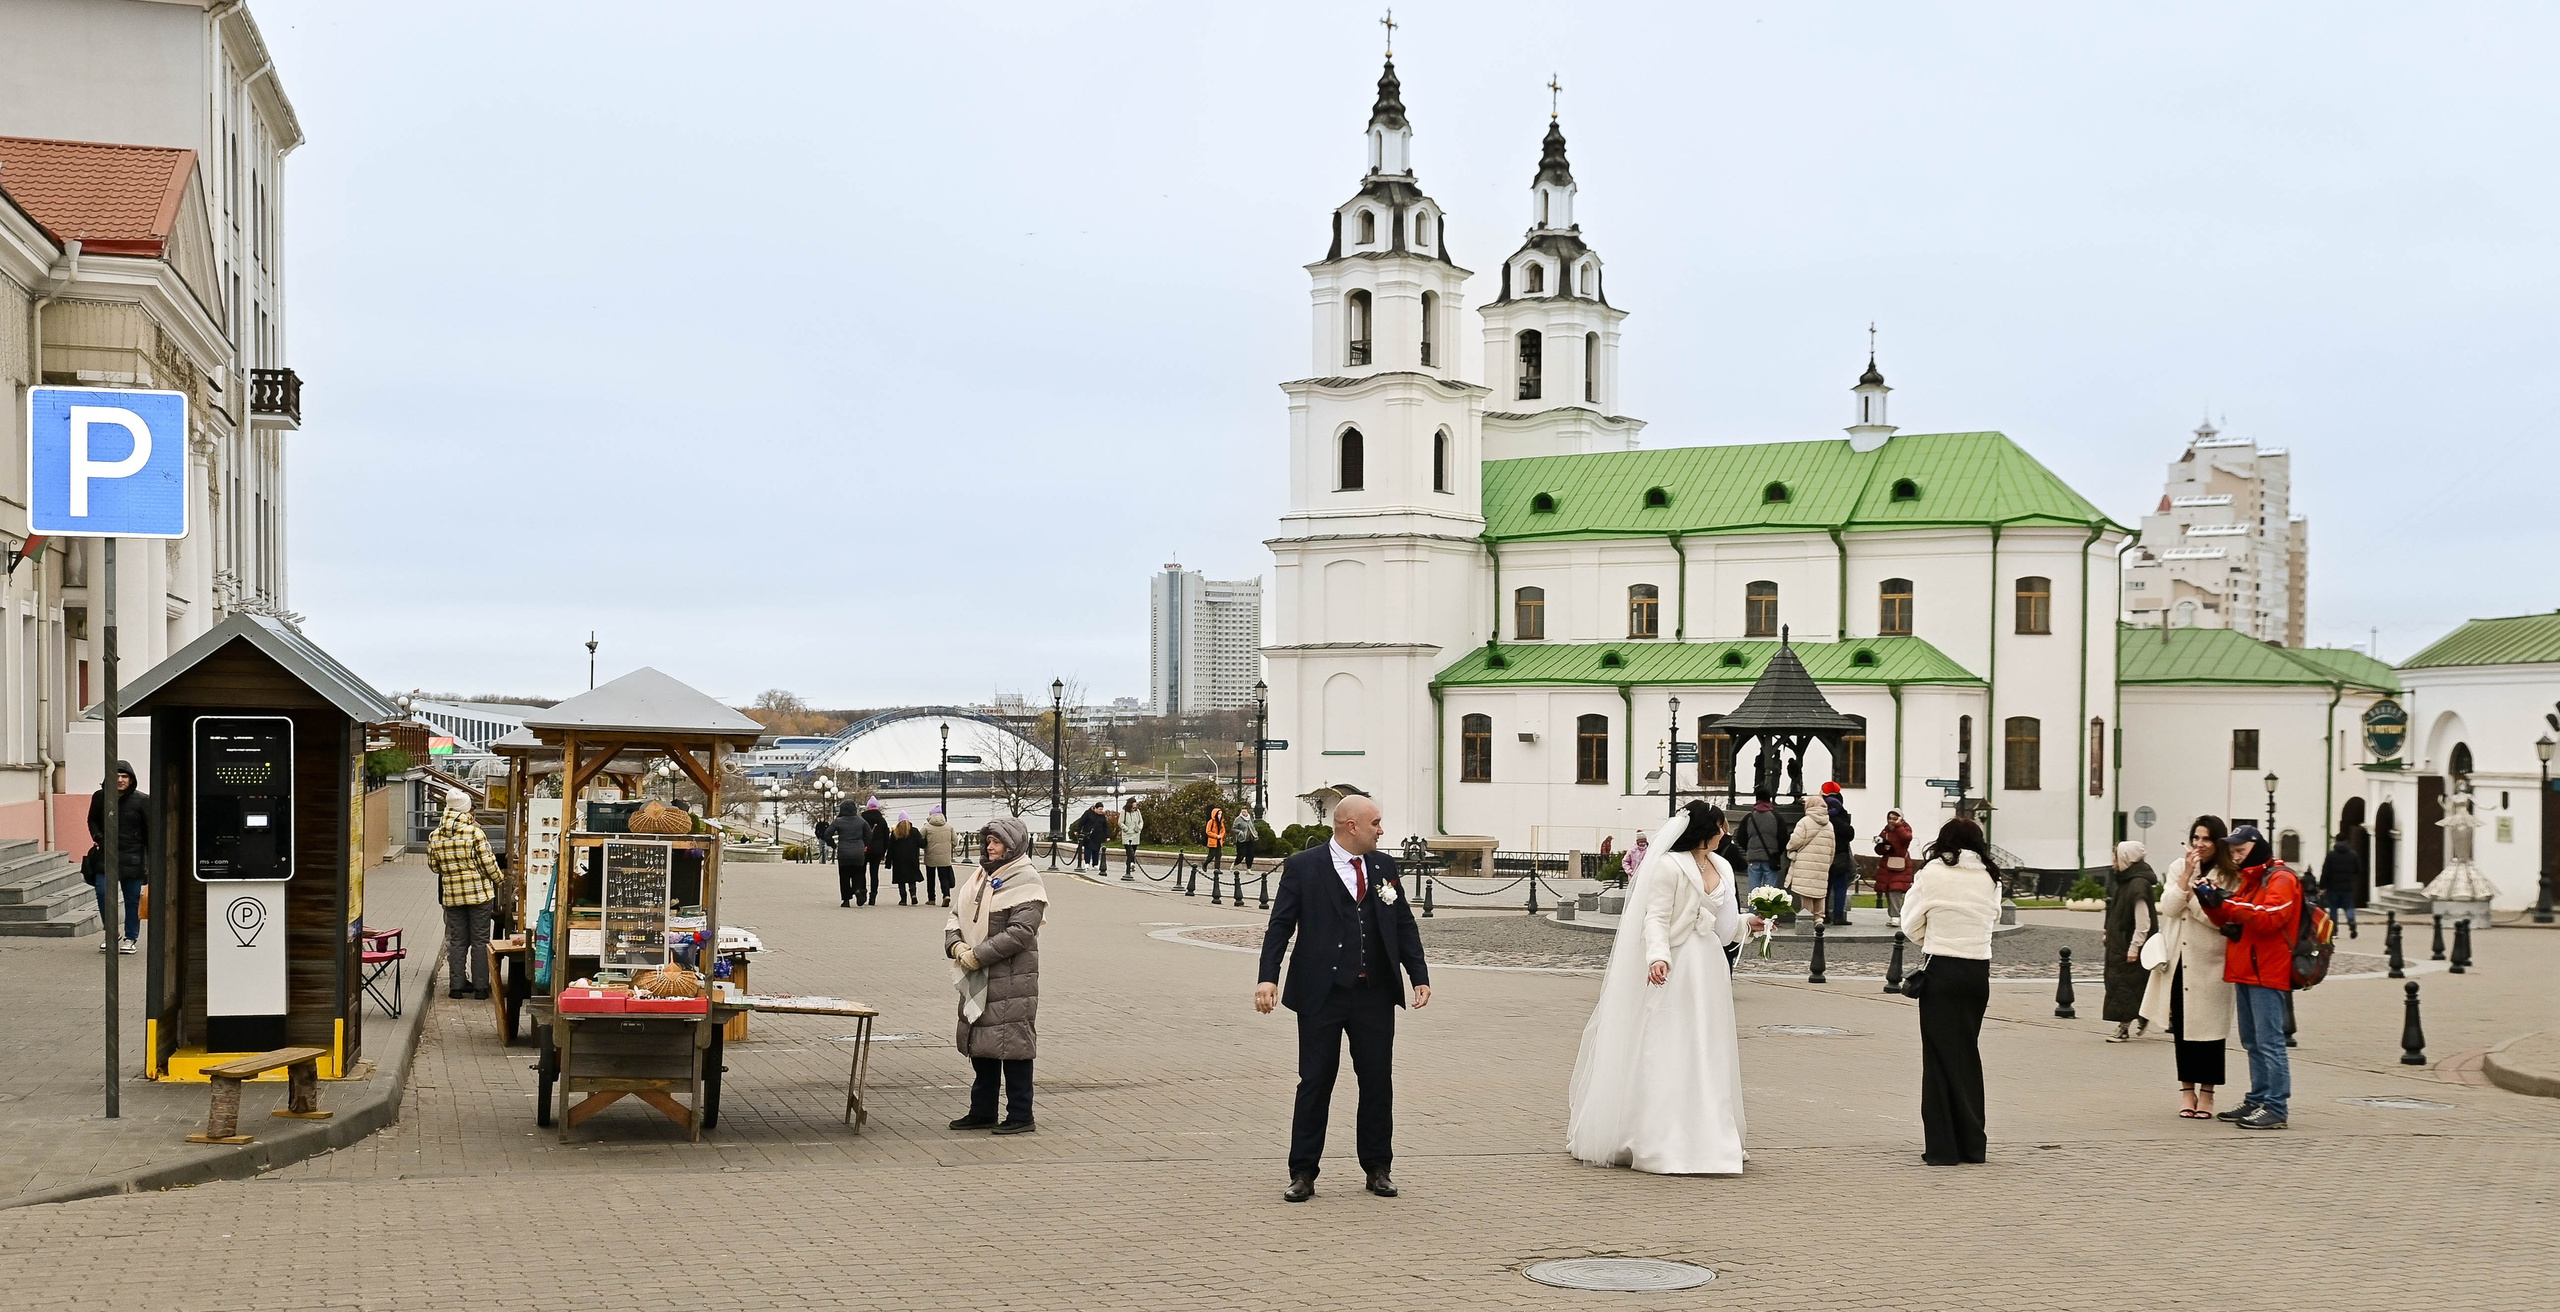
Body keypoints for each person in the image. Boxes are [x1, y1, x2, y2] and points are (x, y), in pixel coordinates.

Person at [1567, 801, 1762, 1174]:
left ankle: (1712, 1133)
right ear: (1709, 830)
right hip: (1676, 963)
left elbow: (1722, 927)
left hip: (1708, 967)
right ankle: (1657, 1135)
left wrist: (1748, 923)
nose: (1727, 834)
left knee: (1708, 1044)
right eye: (1723, 827)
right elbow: (1654, 917)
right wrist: (1658, 957)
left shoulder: (1721, 866)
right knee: (1670, 1042)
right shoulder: (1668, 867)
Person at [1255, 794, 1431, 1202]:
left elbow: (1403, 923)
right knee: (1315, 1081)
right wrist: (1267, 979)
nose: (1382, 830)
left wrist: (1417, 975)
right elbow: (1279, 927)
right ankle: (1303, 1172)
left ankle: (1377, 1168)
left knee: (1377, 1082)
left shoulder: (1384, 867)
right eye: (1376, 823)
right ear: (1351, 825)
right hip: (1322, 994)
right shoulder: (1304, 867)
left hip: (1374, 993)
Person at [1900, 816, 2001, 1166]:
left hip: (1942, 968)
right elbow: (1994, 918)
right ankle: (1973, 1144)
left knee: (1939, 1059)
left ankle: (1943, 1148)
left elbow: (1910, 921)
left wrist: (1933, 937)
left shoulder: (1931, 873)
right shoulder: (1991, 876)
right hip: (1977, 972)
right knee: (1967, 1055)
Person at [945, 816, 1046, 1135]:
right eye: (988, 840)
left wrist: (977, 955)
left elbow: (1020, 933)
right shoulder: (979, 878)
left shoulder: (1026, 881)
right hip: (977, 974)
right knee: (983, 1046)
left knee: (1013, 1047)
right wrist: (957, 946)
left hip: (1012, 978)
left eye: (996, 841)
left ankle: (1021, 1114)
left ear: (1012, 845)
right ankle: (982, 1111)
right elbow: (955, 917)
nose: (989, 846)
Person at [2196, 823, 2300, 1130]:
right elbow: (2232, 914)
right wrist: (2210, 900)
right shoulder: (2251, 880)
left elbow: (2270, 917)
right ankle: (2257, 1098)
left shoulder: (2281, 879)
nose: (2236, 857)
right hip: (2246, 968)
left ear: (2257, 849)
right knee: (2253, 1041)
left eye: (2241, 851)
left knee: (2270, 1042)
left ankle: (2276, 1106)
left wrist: (2225, 901)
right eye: (2233, 852)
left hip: (2267, 971)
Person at [2140, 816, 2235, 1119]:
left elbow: (2219, 919)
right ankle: (2186, 1091)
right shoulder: (2178, 867)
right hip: (2180, 960)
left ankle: (2207, 1094)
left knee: (2210, 1032)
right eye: (2196, 837)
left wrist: (2194, 898)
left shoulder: (2230, 876)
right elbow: (2168, 907)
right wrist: (2186, 881)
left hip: (2211, 963)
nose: (2199, 844)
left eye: (2206, 839)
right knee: (2183, 1030)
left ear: (2218, 842)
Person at [427, 790, 502, 1000]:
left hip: (452, 896)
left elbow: (434, 866)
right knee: (480, 940)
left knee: (458, 940)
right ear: (466, 809)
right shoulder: (474, 833)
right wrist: (499, 879)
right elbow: (489, 864)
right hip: (479, 895)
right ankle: (480, 988)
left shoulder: (435, 835)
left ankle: (456, 987)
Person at [86, 759, 149, 954]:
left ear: (131, 779)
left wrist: (149, 861)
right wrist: (98, 837)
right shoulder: (100, 797)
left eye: (124, 776)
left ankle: (131, 938)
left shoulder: (142, 800)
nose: (120, 780)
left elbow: (149, 831)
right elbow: (92, 820)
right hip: (106, 856)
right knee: (103, 892)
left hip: (133, 857)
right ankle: (111, 933)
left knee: (132, 900)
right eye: (117, 776)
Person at [2103, 841, 2160, 1042]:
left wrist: (2135, 947)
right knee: (2123, 985)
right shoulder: (2125, 881)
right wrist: (2107, 933)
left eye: (2116, 858)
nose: (2113, 863)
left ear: (2126, 859)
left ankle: (2124, 1027)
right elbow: (2116, 912)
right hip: (2120, 942)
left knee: (2125, 986)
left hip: (2130, 944)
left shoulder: (2137, 884)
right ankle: (2144, 1014)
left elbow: (2143, 921)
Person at [1784, 792, 1838, 923]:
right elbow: (1832, 848)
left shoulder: (1805, 822)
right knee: (1819, 892)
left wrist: (1789, 847)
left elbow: (1795, 841)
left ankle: (1806, 917)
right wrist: (1827, 863)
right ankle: (1819, 917)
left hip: (1805, 863)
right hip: (1822, 864)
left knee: (1806, 891)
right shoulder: (1829, 825)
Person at [1819, 782, 1857, 924]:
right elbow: (1849, 834)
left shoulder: (1820, 814)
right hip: (1840, 855)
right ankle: (1838, 916)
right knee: (1840, 887)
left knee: (1825, 888)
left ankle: (1824, 915)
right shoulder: (1841, 814)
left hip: (1823, 854)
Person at [1873, 809, 1915, 926]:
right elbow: (1878, 848)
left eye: (1894, 818)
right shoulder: (1885, 830)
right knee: (1887, 890)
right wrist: (1882, 848)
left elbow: (1907, 838)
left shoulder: (1904, 828)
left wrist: (1898, 825)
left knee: (1895, 890)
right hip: (1887, 864)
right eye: (1890, 818)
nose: (1891, 821)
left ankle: (1896, 916)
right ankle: (1893, 915)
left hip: (1900, 864)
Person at [2321, 828, 2363, 940]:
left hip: (2333, 887)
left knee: (2333, 909)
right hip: (2347, 886)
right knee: (2349, 906)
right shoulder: (2353, 855)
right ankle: (2351, 921)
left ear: (2336, 841)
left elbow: (2325, 871)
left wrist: (2322, 886)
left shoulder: (2331, 855)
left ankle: (2334, 931)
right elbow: (2358, 869)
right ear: (2347, 841)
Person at [1741, 794, 1787, 895]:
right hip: (1771, 859)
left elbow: (1740, 837)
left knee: (1754, 892)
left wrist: (1749, 850)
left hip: (1753, 858)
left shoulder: (1749, 817)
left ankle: (1753, 910)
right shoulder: (1776, 817)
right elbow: (1783, 838)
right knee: (1770, 893)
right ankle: (1769, 910)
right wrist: (1776, 853)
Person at [833, 799, 871, 906]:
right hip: (858, 852)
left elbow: (827, 834)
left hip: (843, 852)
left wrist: (833, 845)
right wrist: (865, 845)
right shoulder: (861, 821)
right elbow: (869, 835)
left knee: (844, 876)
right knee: (858, 874)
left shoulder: (838, 821)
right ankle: (857, 889)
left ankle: (846, 900)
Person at [887, 811, 926, 905]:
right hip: (912, 859)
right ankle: (913, 894)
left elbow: (890, 848)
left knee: (901, 880)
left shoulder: (895, 833)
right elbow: (922, 844)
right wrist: (926, 839)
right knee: (911, 878)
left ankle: (903, 899)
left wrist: (888, 862)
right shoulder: (914, 831)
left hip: (898, 860)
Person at [922, 804, 957, 906]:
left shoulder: (926, 827)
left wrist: (926, 846)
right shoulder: (949, 827)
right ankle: (946, 895)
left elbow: (919, 839)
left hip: (930, 856)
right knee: (944, 877)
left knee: (931, 878)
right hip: (945, 858)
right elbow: (955, 841)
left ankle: (931, 899)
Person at [862, 800, 890, 901]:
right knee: (874, 873)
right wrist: (884, 852)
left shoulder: (862, 819)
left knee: (862, 872)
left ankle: (863, 892)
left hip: (864, 849)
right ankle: (873, 896)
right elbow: (886, 838)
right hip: (877, 851)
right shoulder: (882, 821)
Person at [1073, 802, 1110, 871]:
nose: (1101, 811)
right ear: (1095, 808)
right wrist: (1077, 830)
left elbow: (1105, 826)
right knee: (1088, 849)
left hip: (1098, 836)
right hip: (1088, 835)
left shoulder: (1102, 816)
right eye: (1099, 809)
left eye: (1102, 809)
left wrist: (1107, 836)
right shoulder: (1088, 813)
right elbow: (1081, 821)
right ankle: (1087, 863)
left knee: (1096, 850)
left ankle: (1095, 864)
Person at [1119, 799, 1145, 877]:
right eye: (1134, 802)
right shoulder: (1124, 812)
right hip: (1127, 834)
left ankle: (1131, 863)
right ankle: (1130, 863)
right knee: (1128, 849)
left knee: (1134, 849)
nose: (1135, 804)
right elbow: (1120, 822)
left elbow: (1141, 821)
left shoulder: (1137, 811)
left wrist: (1139, 828)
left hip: (1135, 834)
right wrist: (1126, 829)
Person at [1234, 805, 1260, 871]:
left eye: (1245, 812)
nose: (1244, 813)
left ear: (1247, 812)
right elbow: (1234, 829)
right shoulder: (1238, 819)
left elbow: (1252, 827)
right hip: (1242, 839)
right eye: (1242, 812)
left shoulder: (1250, 818)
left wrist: (1255, 833)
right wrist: (1240, 832)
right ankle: (1234, 864)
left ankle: (1249, 868)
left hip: (1250, 838)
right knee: (1241, 855)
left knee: (1250, 854)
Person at [1204, 806, 1229, 875]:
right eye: (1218, 814)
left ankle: (1217, 868)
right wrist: (1216, 836)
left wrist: (1221, 836)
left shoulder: (1221, 822)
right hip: (1213, 841)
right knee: (1211, 855)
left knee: (1218, 855)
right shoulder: (1211, 822)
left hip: (1219, 841)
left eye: (1221, 814)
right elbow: (1208, 832)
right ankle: (1205, 864)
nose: (1220, 816)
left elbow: (1223, 830)